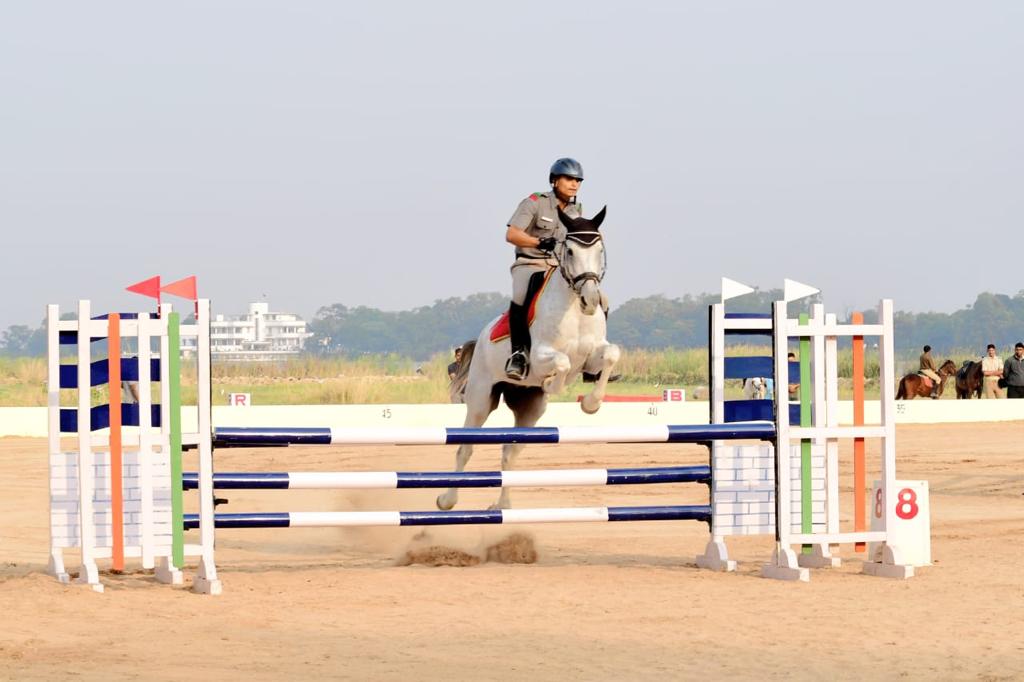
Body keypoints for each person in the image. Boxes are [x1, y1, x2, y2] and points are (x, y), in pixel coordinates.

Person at [503, 158, 585, 380]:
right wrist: (538, 242)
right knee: (521, 296)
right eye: (569, 179)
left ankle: (589, 360)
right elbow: (512, 234)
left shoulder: (576, 210)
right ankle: (518, 355)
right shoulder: (534, 202)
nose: (574, 184)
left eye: (578, 180)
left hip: (559, 268)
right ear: (554, 181)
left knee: (597, 298)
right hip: (530, 263)